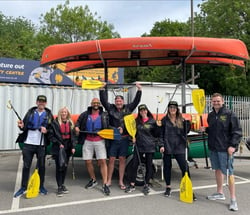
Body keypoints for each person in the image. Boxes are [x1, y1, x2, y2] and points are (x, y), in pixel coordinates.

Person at [201, 93, 242, 211]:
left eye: (218, 101)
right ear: (211, 102)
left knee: (229, 173)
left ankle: (233, 199)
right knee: (217, 170)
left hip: (225, 149)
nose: (216, 103)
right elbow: (214, 130)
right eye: (214, 101)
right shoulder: (211, 115)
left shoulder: (230, 114)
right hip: (214, 148)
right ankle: (220, 192)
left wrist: (233, 146)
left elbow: (237, 132)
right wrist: (206, 129)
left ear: (222, 101)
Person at [99, 82, 142, 190]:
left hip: (124, 139)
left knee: (122, 159)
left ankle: (121, 181)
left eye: (120, 100)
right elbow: (103, 101)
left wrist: (139, 90)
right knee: (112, 159)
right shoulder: (111, 108)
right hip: (114, 138)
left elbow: (136, 101)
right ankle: (108, 180)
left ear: (123, 102)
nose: (118, 102)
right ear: (115, 102)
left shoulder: (128, 108)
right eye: (117, 101)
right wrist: (102, 89)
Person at [14, 95, 54, 198]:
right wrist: (21, 126)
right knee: (26, 166)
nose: (41, 103)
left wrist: (47, 131)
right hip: (28, 144)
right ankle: (23, 187)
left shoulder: (49, 114)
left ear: (46, 103)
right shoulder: (30, 112)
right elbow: (24, 127)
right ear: (36, 102)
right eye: (40, 101)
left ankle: (41, 186)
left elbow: (52, 130)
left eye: (43, 101)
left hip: (41, 145)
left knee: (41, 167)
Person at [159, 101, 196, 200]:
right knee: (167, 167)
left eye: (174, 107)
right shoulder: (164, 121)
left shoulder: (181, 119)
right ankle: (168, 187)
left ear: (177, 109)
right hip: (167, 146)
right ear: (168, 109)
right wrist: (161, 145)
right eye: (170, 107)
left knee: (185, 167)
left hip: (179, 146)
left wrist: (188, 124)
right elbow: (161, 135)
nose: (172, 109)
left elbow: (186, 132)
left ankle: (189, 188)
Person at [75, 98, 110, 195]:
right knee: (88, 161)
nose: (96, 104)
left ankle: (105, 184)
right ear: (91, 104)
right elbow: (78, 122)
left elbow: (109, 125)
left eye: (97, 103)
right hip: (88, 140)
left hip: (100, 140)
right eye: (94, 103)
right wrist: (77, 127)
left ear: (99, 104)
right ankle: (93, 180)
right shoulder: (85, 114)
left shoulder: (104, 115)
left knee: (102, 161)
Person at [125, 104, 161, 194]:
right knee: (134, 165)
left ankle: (146, 184)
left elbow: (157, 134)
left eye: (144, 110)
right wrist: (132, 137)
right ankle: (132, 184)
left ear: (147, 111)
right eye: (141, 111)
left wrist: (158, 126)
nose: (143, 112)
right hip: (139, 146)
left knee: (149, 166)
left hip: (149, 146)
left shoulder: (152, 121)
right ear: (139, 112)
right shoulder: (137, 121)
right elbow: (132, 131)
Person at [48, 107, 76, 197]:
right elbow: (51, 136)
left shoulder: (70, 123)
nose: (64, 113)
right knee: (59, 167)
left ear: (67, 113)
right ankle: (59, 186)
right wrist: (58, 143)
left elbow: (73, 137)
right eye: (62, 112)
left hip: (67, 147)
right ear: (60, 113)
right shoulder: (55, 123)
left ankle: (62, 184)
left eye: (65, 112)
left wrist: (73, 146)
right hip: (59, 148)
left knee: (64, 166)